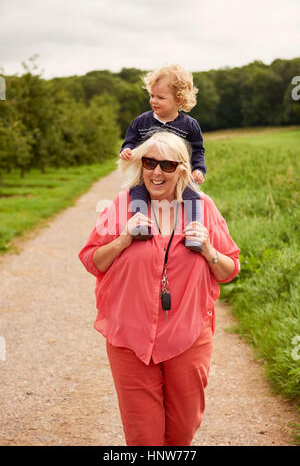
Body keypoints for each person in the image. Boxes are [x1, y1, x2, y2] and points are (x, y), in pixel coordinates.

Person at [78, 131, 240, 446]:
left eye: (167, 165)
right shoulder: (123, 205)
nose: (156, 172)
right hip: (130, 338)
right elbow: (92, 260)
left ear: (182, 168)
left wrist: (209, 250)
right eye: (150, 162)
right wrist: (123, 239)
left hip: (187, 337)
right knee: (143, 438)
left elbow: (229, 269)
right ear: (140, 164)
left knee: (181, 432)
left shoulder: (202, 208)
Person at [119, 64, 206, 252]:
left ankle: (194, 233)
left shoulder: (190, 125)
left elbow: (198, 150)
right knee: (137, 191)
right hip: (147, 173)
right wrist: (126, 150)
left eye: (160, 97)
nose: (153, 101)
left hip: (179, 175)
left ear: (179, 99)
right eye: (151, 96)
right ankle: (140, 225)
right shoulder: (141, 122)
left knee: (193, 195)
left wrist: (198, 169)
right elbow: (130, 141)